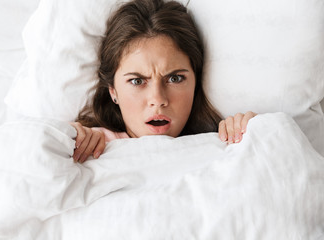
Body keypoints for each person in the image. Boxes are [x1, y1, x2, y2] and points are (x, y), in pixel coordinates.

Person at [71, 0, 256, 163]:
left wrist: (256, 133)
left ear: (196, 82)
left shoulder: (223, 144)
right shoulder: (89, 147)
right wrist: (68, 139)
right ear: (113, 90)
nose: (158, 99)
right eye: (137, 81)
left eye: (174, 78)